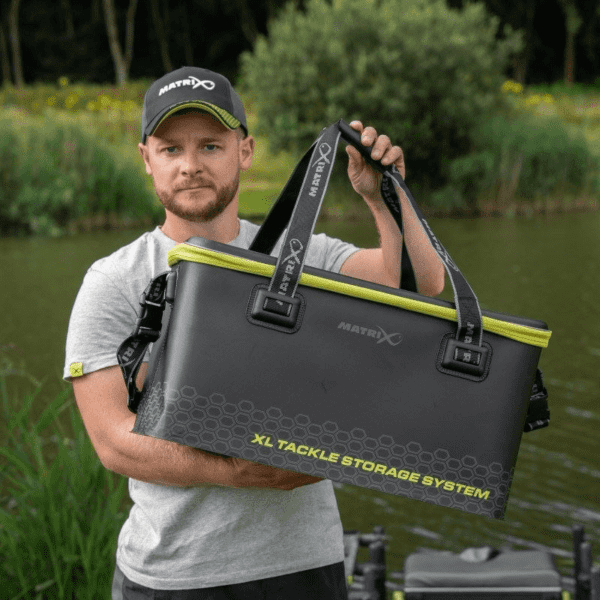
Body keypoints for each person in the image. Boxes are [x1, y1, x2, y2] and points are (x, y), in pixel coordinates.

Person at [64, 66, 444, 600]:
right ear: (147, 159)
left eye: (211, 145)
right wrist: (238, 471)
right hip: (173, 577)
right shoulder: (115, 280)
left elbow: (419, 283)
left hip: (305, 567)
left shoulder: (302, 253)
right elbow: (113, 443)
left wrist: (385, 197)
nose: (191, 165)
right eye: (171, 149)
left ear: (244, 151)